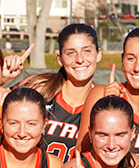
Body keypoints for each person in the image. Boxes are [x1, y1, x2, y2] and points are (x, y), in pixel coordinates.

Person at [39, 23, 102, 158]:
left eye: (86, 51)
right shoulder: (41, 89)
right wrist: (3, 81)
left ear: (98, 54)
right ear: (60, 59)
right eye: (71, 53)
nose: (79, 59)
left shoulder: (103, 102)